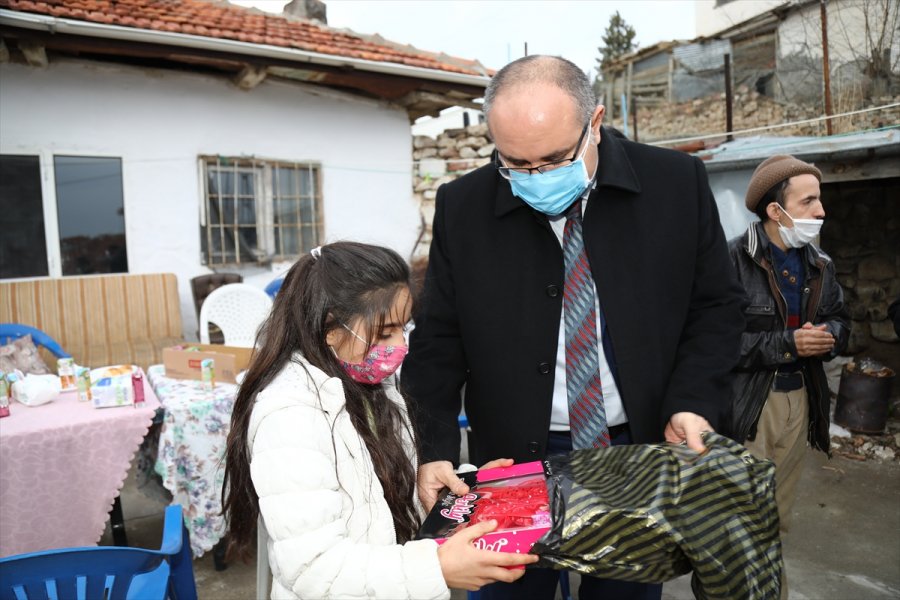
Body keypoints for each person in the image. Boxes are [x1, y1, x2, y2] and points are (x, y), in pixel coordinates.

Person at [402, 55, 745, 600]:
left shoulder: (674, 185)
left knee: (624, 595)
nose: (535, 178)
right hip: (512, 460)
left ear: (596, 122)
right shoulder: (463, 206)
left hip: (634, 449)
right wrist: (434, 446)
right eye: (515, 163)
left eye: (555, 159)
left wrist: (693, 401)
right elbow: (438, 338)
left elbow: (716, 309)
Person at [221, 242, 537, 599]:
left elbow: (374, 502)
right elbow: (314, 569)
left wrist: (464, 492)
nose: (401, 345)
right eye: (386, 332)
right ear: (330, 330)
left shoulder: (372, 383)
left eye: (404, 328)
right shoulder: (291, 414)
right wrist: (436, 567)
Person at [727, 156, 849, 578]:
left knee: (776, 515)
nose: (821, 211)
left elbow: (843, 323)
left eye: (820, 200)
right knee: (738, 519)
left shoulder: (820, 264)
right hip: (750, 408)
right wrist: (788, 343)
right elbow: (714, 345)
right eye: (809, 201)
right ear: (775, 211)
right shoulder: (732, 262)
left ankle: (766, 587)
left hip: (800, 398)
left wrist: (829, 335)